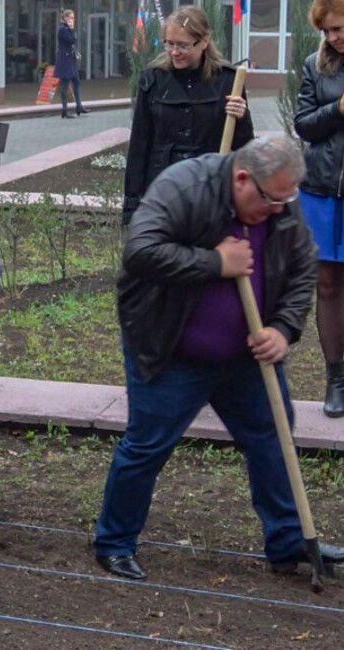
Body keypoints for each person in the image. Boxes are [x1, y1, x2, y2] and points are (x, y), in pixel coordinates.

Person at [93, 135, 344, 581]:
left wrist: (282, 330)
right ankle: (114, 542)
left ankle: (288, 542)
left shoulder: (280, 202)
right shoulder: (185, 187)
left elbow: (304, 265)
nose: (277, 210)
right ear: (243, 178)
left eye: (285, 201)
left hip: (247, 357)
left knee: (273, 440)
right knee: (147, 446)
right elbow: (140, 251)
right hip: (171, 348)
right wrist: (214, 262)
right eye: (269, 201)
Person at [123, 6, 253, 226]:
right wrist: (132, 207)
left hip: (210, 191)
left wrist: (242, 118)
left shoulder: (227, 81)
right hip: (163, 191)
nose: (174, 52)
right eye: (169, 44)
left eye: (182, 45)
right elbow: (139, 145)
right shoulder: (153, 80)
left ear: (204, 42)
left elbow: (245, 148)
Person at [294, 0, 344, 417]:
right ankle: (336, 380)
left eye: (340, 28)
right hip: (322, 189)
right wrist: (339, 108)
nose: (334, 37)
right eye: (328, 31)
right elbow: (303, 123)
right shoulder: (316, 65)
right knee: (326, 285)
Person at [55, 10, 89, 120]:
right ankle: (65, 110)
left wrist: (72, 29)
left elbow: (74, 40)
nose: (72, 20)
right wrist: (72, 28)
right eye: (70, 17)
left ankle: (79, 106)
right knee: (65, 85)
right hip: (65, 60)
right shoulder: (62, 29)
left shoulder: (68, 29)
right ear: (65, 18)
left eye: (73, 18)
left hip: (71, 59)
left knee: (77, 82)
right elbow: (71, 40)